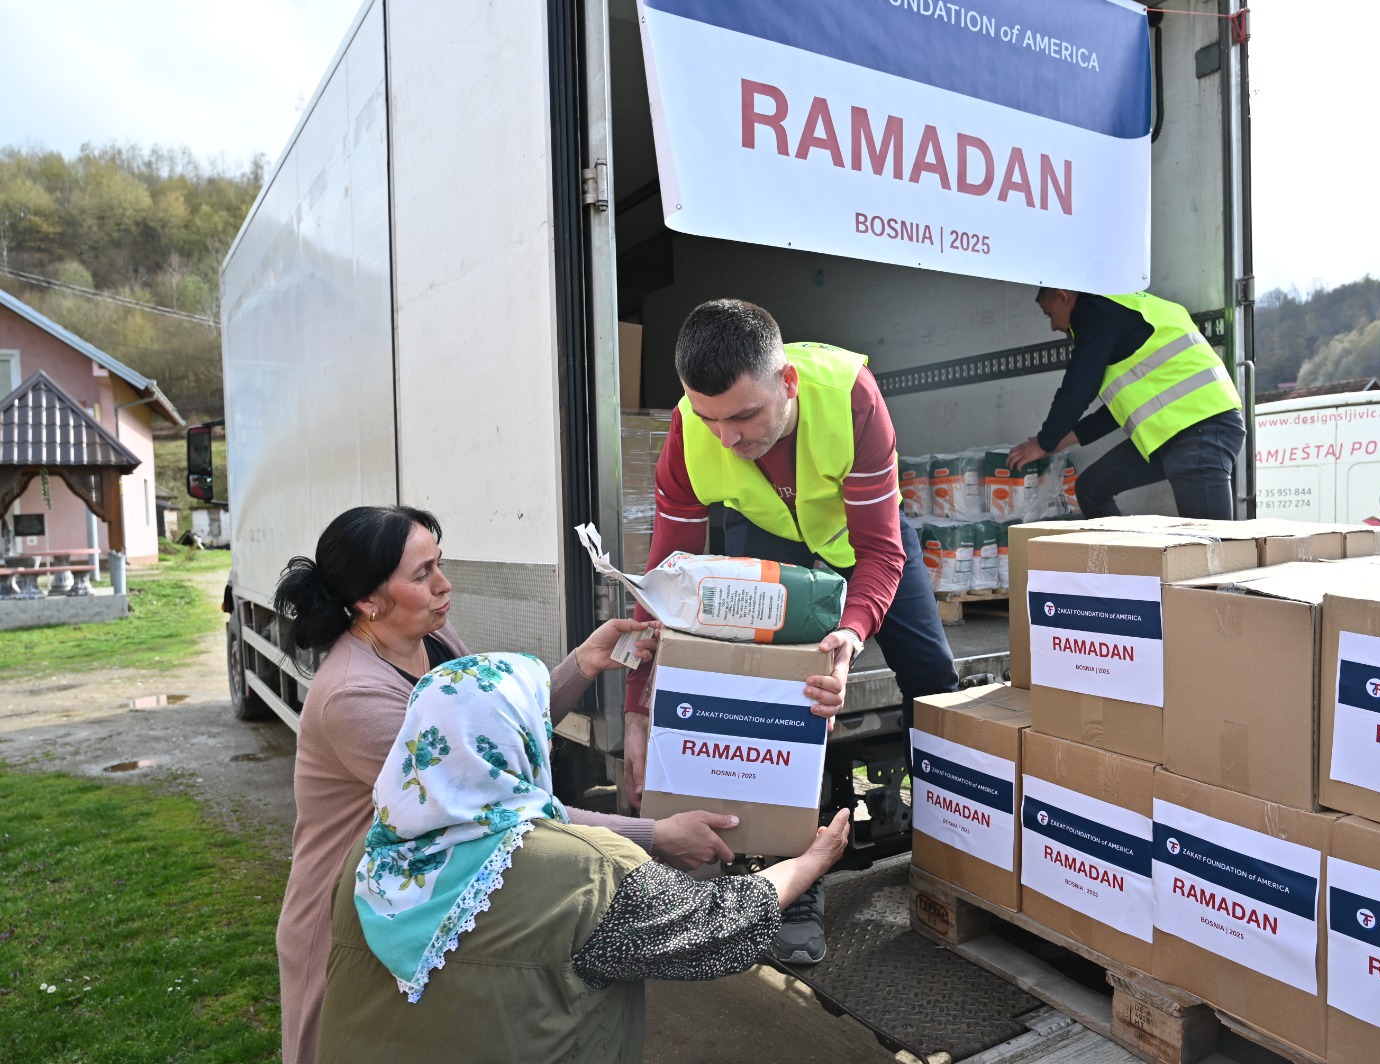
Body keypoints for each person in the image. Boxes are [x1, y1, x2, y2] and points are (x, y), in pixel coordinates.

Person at [273, 505, 739, 1064]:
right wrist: (655, 834)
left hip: (422, 887)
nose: (445, 584)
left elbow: (488, 735)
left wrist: (583, 664)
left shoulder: (434, 634)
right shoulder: (352, 696)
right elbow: (486, 802)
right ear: (369, 602)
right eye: (422, 575)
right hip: (355, 908)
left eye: (438, 564)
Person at [623, 298, 960, 965]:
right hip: (770, 546)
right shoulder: (690, 430)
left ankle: (956, 849)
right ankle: (793, 877)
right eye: (710, 418)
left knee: (934, 682)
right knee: (778, 704)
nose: (729, 438)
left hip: (865, 547)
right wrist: (639, 707)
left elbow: (881, 553)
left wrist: (851, 634)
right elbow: (666, 578)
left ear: (788, 384)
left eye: (746, 416)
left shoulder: (850, 398)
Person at [317, 651, 851, 1062]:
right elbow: (721, 927)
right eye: (538, 726)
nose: (548, 741)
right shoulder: (586, 873)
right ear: (518, 742)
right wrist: (813, 860)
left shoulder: (370, 858)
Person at [1007, 288, 1246, 520]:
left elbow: (1078, 387)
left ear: (1063, 296)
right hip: (1168, 433)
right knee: (1091, 489)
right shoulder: (1122, 309)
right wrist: (1058, 443)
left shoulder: (1095, 311)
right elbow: (1115, 412)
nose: (1053, 326)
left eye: (1050, 314)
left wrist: (1044, 441)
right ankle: (1129, 559)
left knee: (1212, 547)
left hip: (1201, 427)